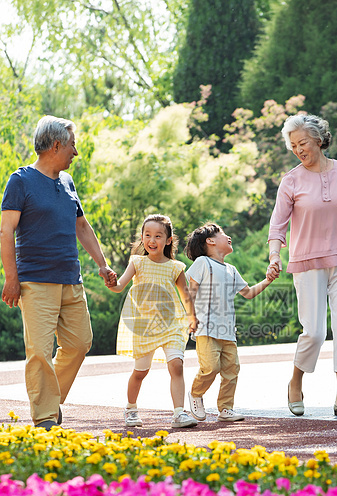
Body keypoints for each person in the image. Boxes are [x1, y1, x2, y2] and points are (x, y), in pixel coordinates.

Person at [0, 115, 116, 430]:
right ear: (55, 145)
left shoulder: (67, 182)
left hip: (71, 279)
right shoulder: (20, 180)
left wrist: (102, 263)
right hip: (35, 280)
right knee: (39, 351)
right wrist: (12, 278)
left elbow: (81, 225)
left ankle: (50, 401)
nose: (75, 152)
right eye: (72, 145)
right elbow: (5, 231)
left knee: (80, 343)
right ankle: (46, 418)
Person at [267, 113, 337, 418]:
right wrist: (275, 255)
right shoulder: (291, 180)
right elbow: (277, 226)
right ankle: (296, 381)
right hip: (306, 262)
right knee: (314, 332)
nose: (298, 149)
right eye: (293, 145)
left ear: (318, 139)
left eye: (302, 142)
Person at [106, 214, 198, 429]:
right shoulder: (137, 262)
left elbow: (186, 296)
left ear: (168, 240)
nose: (152, 240)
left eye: (158, 235)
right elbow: (119, 286)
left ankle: (178, 413)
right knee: (140, 372)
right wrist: (111, 282)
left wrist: (192, 317)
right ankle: (130, 409)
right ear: (142, 238)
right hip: (144, 327)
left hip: (172, 324)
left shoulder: (176, 267)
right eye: (147, 235)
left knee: (177, 365)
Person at [185, 222, 275, 423]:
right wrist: (191, 317)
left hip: (227, 330)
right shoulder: (202, 263)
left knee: (231, 370)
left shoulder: (231, 270)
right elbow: (189, 293)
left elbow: (248, 293)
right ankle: (195, 393)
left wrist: (268, 280)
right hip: (206, 328)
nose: (228, 237)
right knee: (210, 368)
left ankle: (225, 409)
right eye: (223, 233)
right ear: (210, 241)